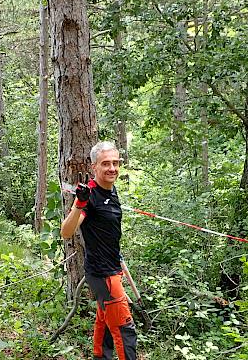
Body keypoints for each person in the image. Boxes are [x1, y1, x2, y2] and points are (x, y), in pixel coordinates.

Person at [61, 141, 137, 360]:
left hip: (110, 268)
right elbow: (67, 232)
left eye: (115, 163)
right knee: (125, 330)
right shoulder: (90, 195)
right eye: (106, 164)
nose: (112, 168)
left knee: (104, 323)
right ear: (94, 166)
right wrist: (79, 204)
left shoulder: (111, 190)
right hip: (103, 274)